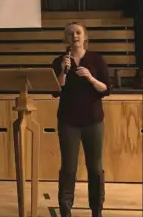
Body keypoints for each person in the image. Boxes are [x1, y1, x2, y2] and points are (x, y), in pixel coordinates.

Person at [52, 22, 111, 217]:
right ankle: (65, 209)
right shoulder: (60, 60)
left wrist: (91, 78)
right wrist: (63, 71)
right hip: (68, 120)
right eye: (70, 34)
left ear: (85, 36)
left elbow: (106, 89)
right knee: (68, 167)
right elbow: (55, 90)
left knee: (95, 167)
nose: (74, 36)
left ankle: (96, 209)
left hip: (93, 121)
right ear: (65, 38)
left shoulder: (96, 59)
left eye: (78, 32)